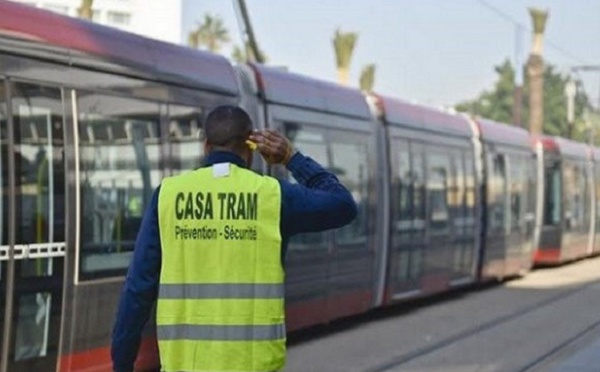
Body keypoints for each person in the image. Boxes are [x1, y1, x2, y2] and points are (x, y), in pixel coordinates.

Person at [111, 105, 358, 372]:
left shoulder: (168, 196)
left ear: (206, 146)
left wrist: (122, 365)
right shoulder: (273, 197)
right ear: (251, 147)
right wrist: (291, 157)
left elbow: (138, 288)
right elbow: (343, 205)